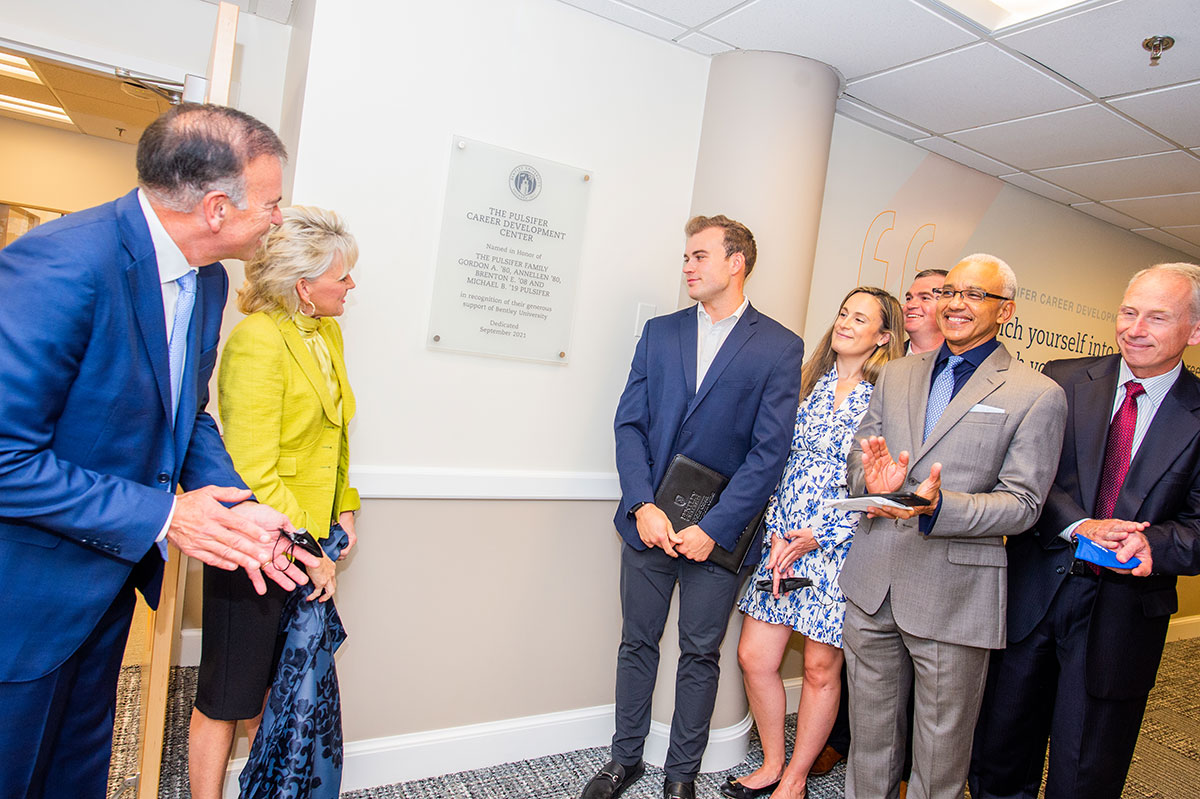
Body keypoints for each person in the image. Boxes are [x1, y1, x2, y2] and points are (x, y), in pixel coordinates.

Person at [0, 103, 318, 799]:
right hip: (22, 600)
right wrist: (166, 515)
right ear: (214, 208)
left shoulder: (207, 282)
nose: (276, 218)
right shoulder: (62, 264)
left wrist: (242, 509)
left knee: (75, 770)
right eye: (270, 202)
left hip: (104, 584)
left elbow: (187, 416)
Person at [579, 215, 804, 799]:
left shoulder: (780, 346)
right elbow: (628, 425)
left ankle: (682, 774)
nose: (687, 266)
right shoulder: (659, 333)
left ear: (736, 262)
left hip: (717, 535)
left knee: (701, 655)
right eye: (685, 257)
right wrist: (642, 507)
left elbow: (769, 451)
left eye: (699, 256)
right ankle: (623, 761)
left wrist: (716, 528)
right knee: (637, 643)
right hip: (648, 525)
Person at [838, 254, 1068, 799]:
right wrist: (874, 481)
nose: (956, 304)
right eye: (949, 293)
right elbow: (858, 462)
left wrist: (937, 508)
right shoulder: (896, 372)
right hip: (873, 582)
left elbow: (1024, 503)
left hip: (954, 589)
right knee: (869, 739)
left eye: (975, 295)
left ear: (1005, 310)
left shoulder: (1035, 394)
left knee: (940, 752)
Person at [969, 262, 1200, 799]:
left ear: (1193, 332)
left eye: (1157, 317)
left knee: (1086, 769)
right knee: (1000, 753)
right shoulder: (1062, 379)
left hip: (1123, 612)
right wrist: (1079, 524)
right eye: (1128, 311)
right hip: (1033, 593)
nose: (1135, 328)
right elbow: (1027, 477)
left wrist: (1154, 542)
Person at [189, 206, 361, 799]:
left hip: (312, 537)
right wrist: (309, 549)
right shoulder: (256, 341)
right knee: (228, 693)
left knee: (277, 689)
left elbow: (335, 435)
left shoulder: (327, 333)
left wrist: (345, 508)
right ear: (304, 286)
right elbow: (252, 468)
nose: (352, 286)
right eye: (343, 276)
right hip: (257, 545)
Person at [724, 287, 904, 799]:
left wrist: (821, 534)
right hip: (782, 537)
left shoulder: (889, 397)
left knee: (822, 668)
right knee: (755, 656)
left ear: (884, 337)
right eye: (844, 312)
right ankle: (773, 763)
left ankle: (797, 780)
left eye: (861, 318)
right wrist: (779, 527)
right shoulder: (807, 381)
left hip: (839, 545)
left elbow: (883, 487)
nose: (845, 323)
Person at [813, 269, 948, 782]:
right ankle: (845, 746)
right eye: (910, 296)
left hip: (932, 544)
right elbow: (859, 460)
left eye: (930, 295)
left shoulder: (960, 377)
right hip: (867, 537)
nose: (915, 303)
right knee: (865, 670)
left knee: (929, 691)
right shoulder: (891, 373)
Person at [902, 269, 947, 355]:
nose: (910, 305)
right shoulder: (885, 361)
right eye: (909, 299)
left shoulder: (961, 363)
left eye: (925, 298)